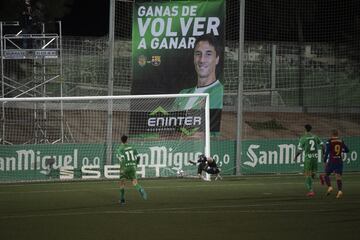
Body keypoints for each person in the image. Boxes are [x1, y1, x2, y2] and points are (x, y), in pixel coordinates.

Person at [174, 34, 224, 132]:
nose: (202, 60)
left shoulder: (220, 92)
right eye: (198, 54)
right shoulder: (182, 94)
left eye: (208, 54)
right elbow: (172, 127)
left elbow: (211, 130)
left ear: (217, 59)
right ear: (194, 58)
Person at [115, 135, 147, 205]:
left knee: (122, 183)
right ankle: (140, 189)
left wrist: (123, 168)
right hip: (133, 167)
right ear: (127, 140)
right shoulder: (132, 147)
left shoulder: (120, 149)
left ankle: (122, 200)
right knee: (135, 183)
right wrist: (136, 164)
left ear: (121, 140)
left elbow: (122, 157)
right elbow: (138, 157)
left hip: (125, 167)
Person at [294, 124, 323, 197]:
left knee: (307, 174)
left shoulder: (303, 138)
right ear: (310, 129)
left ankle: (311, 191)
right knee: (313, 174)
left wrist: (295, 157)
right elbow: (323, 145)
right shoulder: (315, 137)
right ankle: (319, 176)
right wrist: (324, 154)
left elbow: (299, 150)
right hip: (315, 157)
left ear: (305, 129)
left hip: (308, 158)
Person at [320, 129, 349, 199]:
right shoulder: (341, 141)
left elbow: (327, 152)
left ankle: (330, 187)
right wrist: (341, 150)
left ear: (332, 134)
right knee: (338, 176)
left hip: (332, 161)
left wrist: (324, 161)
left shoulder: (329, 141)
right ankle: (339, 191)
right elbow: (347, 150)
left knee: (326, 175)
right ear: (337, 134)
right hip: (339, 160)